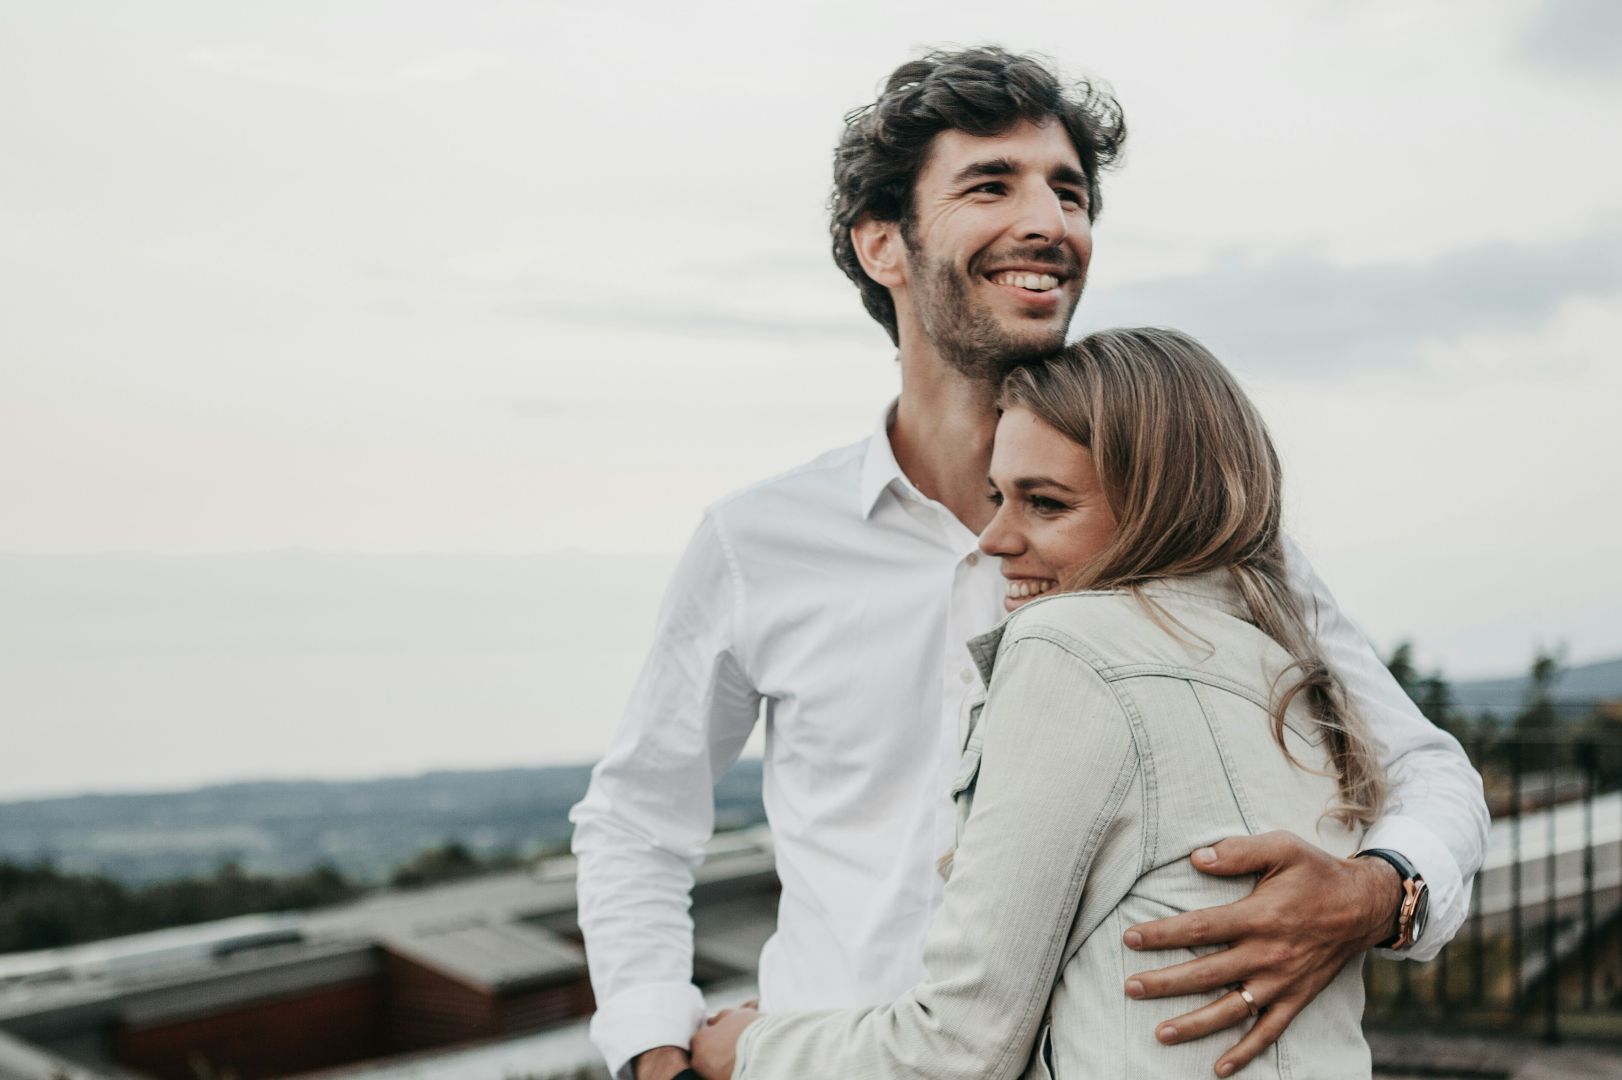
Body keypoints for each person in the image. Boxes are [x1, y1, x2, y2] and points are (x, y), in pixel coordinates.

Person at [569, 46, 1489, 1080]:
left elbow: (1423, 768)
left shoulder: (1196, 528)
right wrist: (652, 1047)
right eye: (990, 184)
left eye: (1070, 191)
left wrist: (1378, 892)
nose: (1051, 221)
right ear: (884, 243)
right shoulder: (757, 541)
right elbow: (637, 821)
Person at [689, 326, 1392, 1079]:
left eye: (1045, 504)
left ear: (1160, 507)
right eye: (999, 496)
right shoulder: (1290, 668)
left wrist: (746, 1052)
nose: (994, 539)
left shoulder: (1068, 647)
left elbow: (960, 1047)